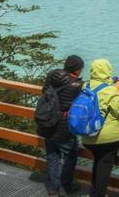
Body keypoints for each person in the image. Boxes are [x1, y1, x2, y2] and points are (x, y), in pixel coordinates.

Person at [39, 55, 85, 196]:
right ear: (77, 69)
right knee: (70, 156)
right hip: (64, 126)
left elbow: (44, 90)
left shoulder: (53, 75)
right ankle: (68, 185)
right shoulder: (76, 85)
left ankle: (53, 187)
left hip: (48, 123)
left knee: (52, 155)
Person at [82, 59, 119, 197]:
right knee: (104, 168)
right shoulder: (111, 90)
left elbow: (99, 89)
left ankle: (93, 192)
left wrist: (111, 82)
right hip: (107, 138)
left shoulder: (85, 86)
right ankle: (98, 194)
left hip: (88, 135)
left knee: (98, 163)